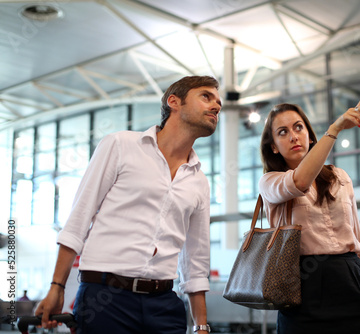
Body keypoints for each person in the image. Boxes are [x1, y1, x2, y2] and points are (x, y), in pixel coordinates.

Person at [35, 76, 222, 334]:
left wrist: (201, 325)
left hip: (164, 305)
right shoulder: (120, 145)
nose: (216, 106)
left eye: (218, 102)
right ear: (174, 102)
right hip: (105, 300)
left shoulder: (198, 180)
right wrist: (57, 286)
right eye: (206, 96)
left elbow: (196, 259)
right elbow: (79, 218)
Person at [259, 93, 360, 333]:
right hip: (301, 287)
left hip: (351, 278)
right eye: (283, 132)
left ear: (310, 136)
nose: (293, 136)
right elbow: (299, 181)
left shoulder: (340, 177)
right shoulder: (270, 182)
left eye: (298, 127)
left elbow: (358, 242)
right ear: (274, 147)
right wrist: (335, 128)